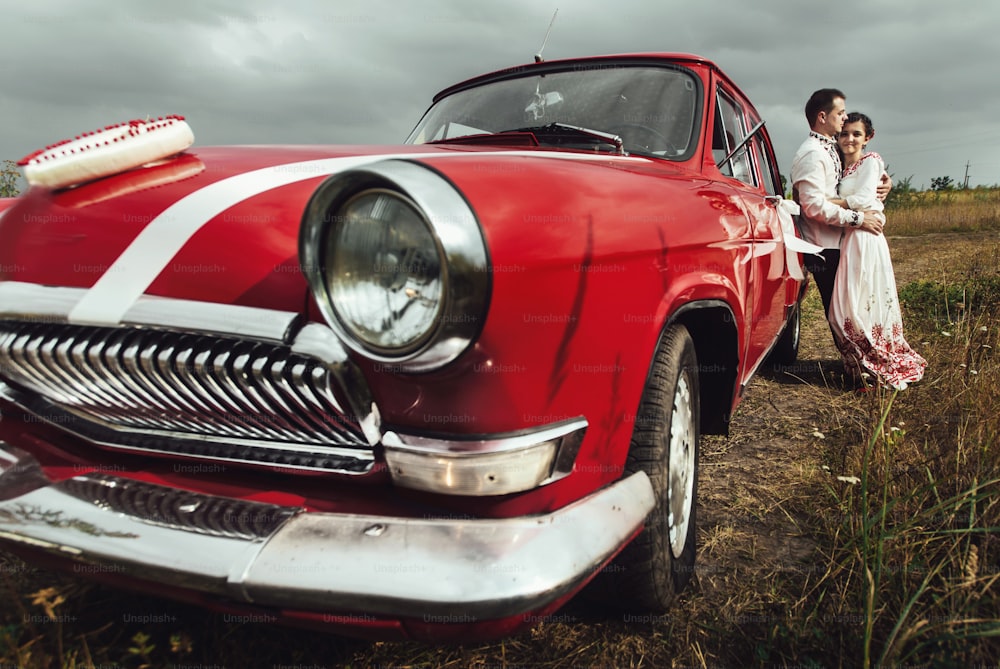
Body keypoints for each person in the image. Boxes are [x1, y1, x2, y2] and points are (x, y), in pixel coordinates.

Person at [828, 112, 926, 389]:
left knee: (861, 302)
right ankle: (860, 364)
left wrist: (823, 201)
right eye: (845, 133)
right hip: (849, 238)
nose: (849, 139)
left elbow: (862, 199)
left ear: (868, 137)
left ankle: (874, 365)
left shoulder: (872, 161)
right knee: (843, 307)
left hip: (865, 237)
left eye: (856, 134)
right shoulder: (839, 165)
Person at [791, 89, 885, 324]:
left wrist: (884, 180)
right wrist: (859, 219)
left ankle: (857, 356)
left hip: (839, 241)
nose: (845, 118)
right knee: (839, 313)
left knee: (854, 305)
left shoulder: (830, 147)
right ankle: (854, 358)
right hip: (822, 247)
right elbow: (813, 207)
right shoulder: (812, 154)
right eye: (840, 113)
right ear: (823, 117)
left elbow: (860, 168)